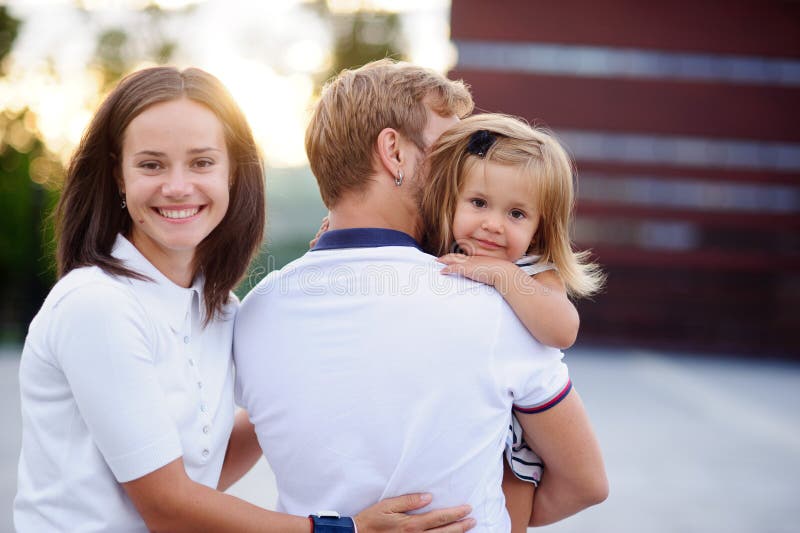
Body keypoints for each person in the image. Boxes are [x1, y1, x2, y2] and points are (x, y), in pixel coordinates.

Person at [14, 65, 475, 533]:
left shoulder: (220, 310)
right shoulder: (97, 305)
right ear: (118, 175)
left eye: (201, 162)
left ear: (233, 172)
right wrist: (344, 529)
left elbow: (202, 470)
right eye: (151, 164)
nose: (177, 186)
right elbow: (167, 505)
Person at [234, 59, 608, 531]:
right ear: (394, 152)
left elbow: (206, 472)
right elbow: (587, 483)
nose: (465, 175)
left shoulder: (257, 312)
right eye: (449, 152)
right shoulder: (493, 305)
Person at [420, 113, 606, 532]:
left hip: (515, 444)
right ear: (451, 200)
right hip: (454, 427)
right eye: (479, 203)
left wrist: (504, 275)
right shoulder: (437, 250)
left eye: (517, 214)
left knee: (504, 513)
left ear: (540, 229)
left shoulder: (535, 270)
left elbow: (563, 329)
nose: (493, 224)